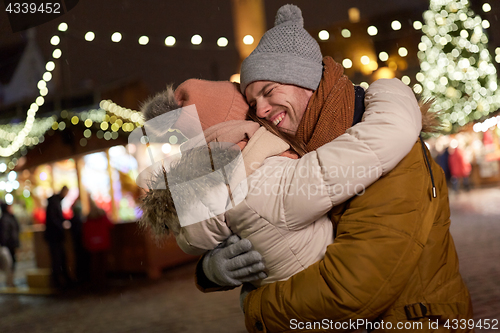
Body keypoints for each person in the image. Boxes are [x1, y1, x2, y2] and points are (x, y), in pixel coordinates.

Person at [196, 4, 473, 332]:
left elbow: (353, 290)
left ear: (307, 81)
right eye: (253, 101)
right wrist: (210, 271)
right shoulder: (296, 150)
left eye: (269, 92)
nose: (262, 109)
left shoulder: (396, 154)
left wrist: (256, 304)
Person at [140, 76, 421, 288]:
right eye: (251, 106)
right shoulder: (267, 179)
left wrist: (210, 271)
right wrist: (390, 87)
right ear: (241, 121)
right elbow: (383, 138)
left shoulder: (220, 187)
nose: (263, 112)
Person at [44, 185, 73, 289]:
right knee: (57, 259)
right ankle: (58, 282)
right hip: (54, 236)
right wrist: (62, 225)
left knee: (59, 258)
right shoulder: (54, 202)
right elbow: (54, 219)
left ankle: (61, 281)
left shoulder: (55, 201)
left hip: (55, 236)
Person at [82, 195, 114, 288]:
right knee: (103, 264)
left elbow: (85, 232)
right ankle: (103, 282)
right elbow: (110, 225)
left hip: (92, 244)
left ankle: (96, 283)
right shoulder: (102, 216)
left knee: (94, 264)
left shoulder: (88, 219)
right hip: (103, 242)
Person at [0, 202, 19, 287]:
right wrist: (4, 244)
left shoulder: (10, 217)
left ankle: (10, 281)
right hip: (8, 245)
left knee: (12, 262)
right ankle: (9, 281)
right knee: (10, 263)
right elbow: (5, 233)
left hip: (11, 244)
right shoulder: (5, 219)